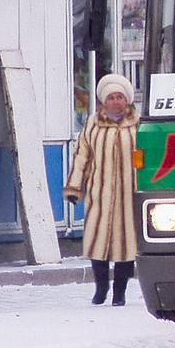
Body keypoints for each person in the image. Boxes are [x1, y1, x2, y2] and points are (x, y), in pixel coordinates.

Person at [64, 73, 140, 306]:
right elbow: (82, 157)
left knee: (126, 246)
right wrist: (75, 187)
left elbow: (149, 158)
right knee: (97, 242)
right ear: (103, 101)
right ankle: (101, 287)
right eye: (111, 98)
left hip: (130, 194)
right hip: (100, 193)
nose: (116, 102)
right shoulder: (92, 125)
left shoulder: (139, 125)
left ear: (127, 100)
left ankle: (120, 291)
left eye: (120, 97)